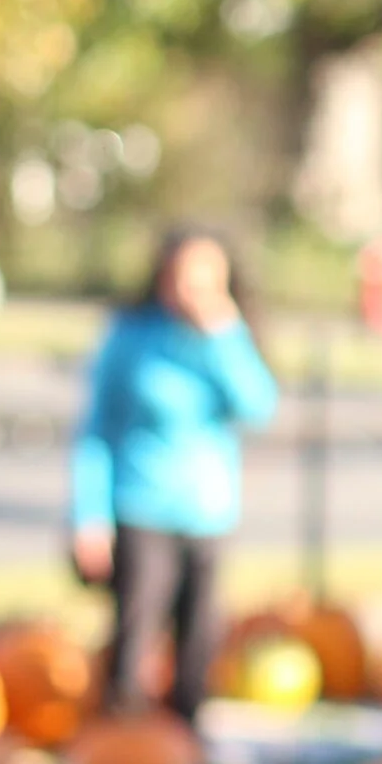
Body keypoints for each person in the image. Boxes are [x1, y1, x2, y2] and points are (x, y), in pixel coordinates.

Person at [70, 225, 279, 722]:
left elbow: (257, 407)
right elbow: (97, 429)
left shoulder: (226, 339)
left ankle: (186, 738)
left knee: (198, 639)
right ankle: (122, 735)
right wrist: (89, 516)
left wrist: (222, 335)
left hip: (206, 511)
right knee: (135, 633)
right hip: (141, 504)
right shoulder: (131, 337)